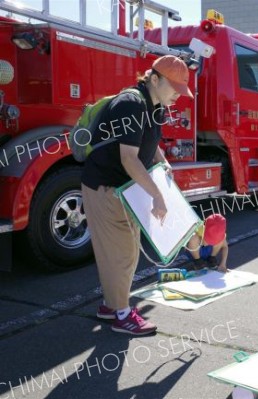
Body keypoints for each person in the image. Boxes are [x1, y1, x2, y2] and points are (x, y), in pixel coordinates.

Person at [82, 55, 193, 335]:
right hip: (105, 187)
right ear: (154, 79)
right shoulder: (131, 104)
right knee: (123, 253)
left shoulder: (154, 106)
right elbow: (129, 159)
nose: (178, 97)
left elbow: (148, 143)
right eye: (175, 90)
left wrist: (163, 161)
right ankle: (122, 313)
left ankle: (111, 306)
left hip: (124, 189)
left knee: (122, 251)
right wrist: (157, 196)